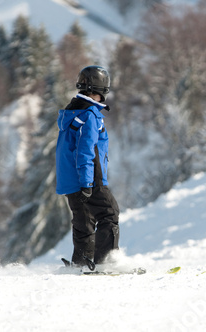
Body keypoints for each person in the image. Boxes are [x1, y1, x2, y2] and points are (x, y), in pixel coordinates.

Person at [55, 65, 119, 269]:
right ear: (99, 90)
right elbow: (85, 151)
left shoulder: (72, 112)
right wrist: (87, 182)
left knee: (84, 221)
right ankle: (106, 262)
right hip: (89, 175)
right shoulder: (90, 115)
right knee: (109, 213)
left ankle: (81, 263)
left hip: (70, 179)